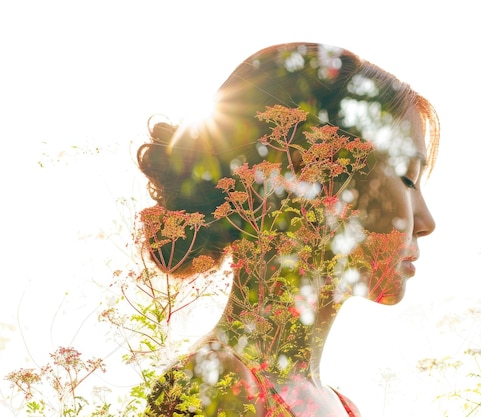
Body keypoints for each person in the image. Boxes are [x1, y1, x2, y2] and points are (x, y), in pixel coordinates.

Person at [136, 42, 438, 416]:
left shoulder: (344, 407)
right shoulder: (216, 387)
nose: (427, 223)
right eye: (408, 179)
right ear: (307, 176)